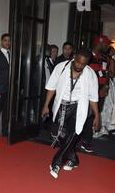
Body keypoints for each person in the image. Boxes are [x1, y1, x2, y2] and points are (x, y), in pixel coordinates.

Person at [41, 49, 100, 179]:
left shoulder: (90, 74)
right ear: (74, 57)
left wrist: (97, 116)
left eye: (83, 64)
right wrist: (46, 105)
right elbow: (51, 87)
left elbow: (93, 97)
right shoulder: (61, 68)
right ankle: (74, 160)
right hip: (62, 105)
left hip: (79, 107)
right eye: (78, 62)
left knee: (73, 134)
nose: (79, 66)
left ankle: (56, 163)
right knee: (61, 136)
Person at [80, 35, 111, 152]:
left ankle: (86, 140)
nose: (107, 46)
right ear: (99, 43)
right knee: (87, 115)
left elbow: (106, 73)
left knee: (93, 115)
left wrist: (106, 86)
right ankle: (83, 140)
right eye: (105, 44)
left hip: (101, 92)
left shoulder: (104, 58)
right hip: (89, 92)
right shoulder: (87, 56)